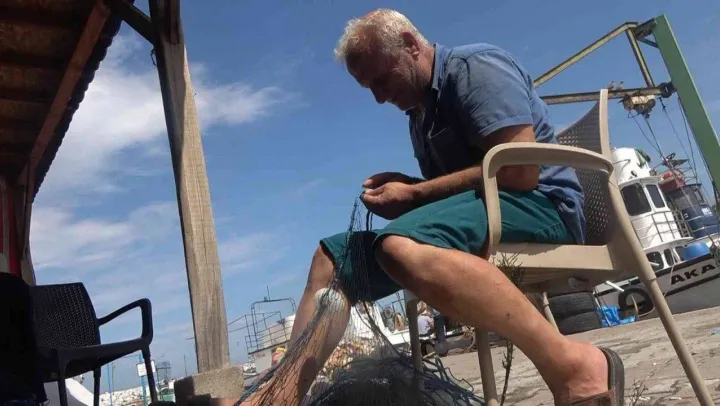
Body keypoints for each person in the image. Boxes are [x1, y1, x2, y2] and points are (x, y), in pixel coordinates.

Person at [237, 9, 624, 406]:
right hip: (488, 211)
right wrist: (411, 189)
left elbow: (520, 171)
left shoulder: (475, 69)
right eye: (369, 88)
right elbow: (456, 190)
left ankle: (573, 365)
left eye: (381, 79)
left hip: (542, 206)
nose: (379, 97)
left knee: (400, 247)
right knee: (331, 260)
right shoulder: (418, 116)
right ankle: (279, 398)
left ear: (410, 44)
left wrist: (417, 195)